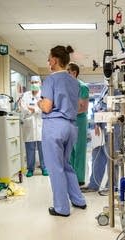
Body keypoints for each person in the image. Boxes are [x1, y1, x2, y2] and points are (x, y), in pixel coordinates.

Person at [38, 45, 86, 217]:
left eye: (49, 58)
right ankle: (79, 200)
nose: (48, 61)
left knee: (55, 168)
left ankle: (61, 208)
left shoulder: (51, 80)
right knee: (66, 165)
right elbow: (79, 105)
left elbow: (47, 107)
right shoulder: (74, 81)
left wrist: (39, 103)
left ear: (55, 60)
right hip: (71, 127)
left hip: (54, 127)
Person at [19, 75, 48, 177]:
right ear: (29, 84)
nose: (34, 84)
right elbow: (23, 107)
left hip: (41, 125)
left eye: (36, 82)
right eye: (32, 82)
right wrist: (33, 109)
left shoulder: (44, 95)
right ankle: (30, 169)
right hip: (29, 125)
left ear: (40, 83)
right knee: (30, 148)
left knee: (43, 148)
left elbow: (45, 108)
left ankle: (44, 167)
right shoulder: (25, 95)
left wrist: (34, 109)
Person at [67, 63, 89, 186]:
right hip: (69, 120)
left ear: (74, 73)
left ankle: (79, 178)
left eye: (68, 72)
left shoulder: (83, 87)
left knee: (79, 149)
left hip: (79, 120)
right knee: (70, 151)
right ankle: (71, 176)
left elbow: (84, 108)